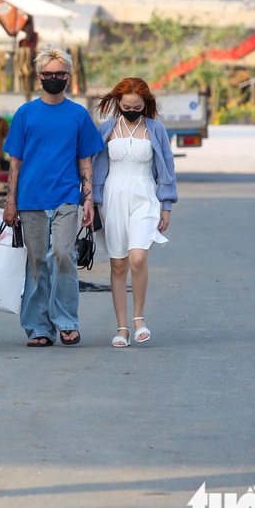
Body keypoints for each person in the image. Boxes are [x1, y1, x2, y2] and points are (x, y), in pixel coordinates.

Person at [2, 47, 104, 347]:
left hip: (67, 198)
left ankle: (67, 321)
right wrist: (10, 202)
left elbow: (86, 161)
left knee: (62, 255)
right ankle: (38, 327)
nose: (54, 78)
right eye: (48, 74)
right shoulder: (25, 114)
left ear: (68, 78)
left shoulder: (78, 114)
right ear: (39, 77)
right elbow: (15, 162)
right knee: (36, 262)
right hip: (30, 199)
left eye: (60, 74)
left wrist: (89, 200)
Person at [92, 77, 178, 347]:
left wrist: (166, 205)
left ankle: (139, 318)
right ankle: (122, 328)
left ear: (146, 105)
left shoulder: (156, 129)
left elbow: (167, 167)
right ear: (118, 103)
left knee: (138, 257)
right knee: (118, 264)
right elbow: (97, 168)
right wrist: (93, 202)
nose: (131, 110)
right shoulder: (106, 128)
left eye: (137, 106)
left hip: (145, 195)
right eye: (126, 105)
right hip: (112, 197)